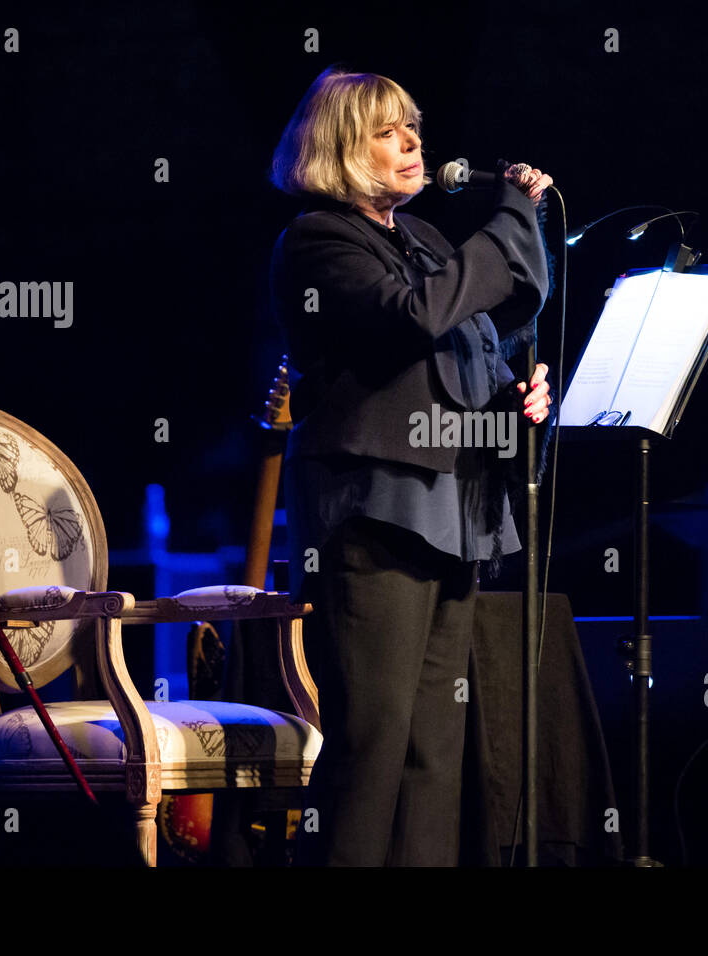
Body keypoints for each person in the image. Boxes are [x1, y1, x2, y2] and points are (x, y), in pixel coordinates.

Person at [268, 66, 552, 866]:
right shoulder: (319, 239)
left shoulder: (424, 240)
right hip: (377, 513)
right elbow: (414, 319)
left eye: (414, 127)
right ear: (342, 150)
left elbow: (475, 351)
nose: (412, 143)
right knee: (374, 744)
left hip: (453, 510)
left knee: (435, 755)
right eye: (389, 131)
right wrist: (508, 219)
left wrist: (521, 396)